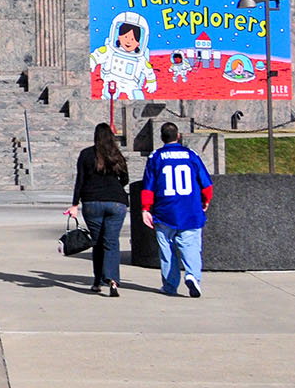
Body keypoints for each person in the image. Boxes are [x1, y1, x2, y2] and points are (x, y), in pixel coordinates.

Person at [142, 121, 214, 297]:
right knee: (190, 246)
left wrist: (145, 209)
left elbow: (148, 187)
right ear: (178, 136)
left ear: (161, 138)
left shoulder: (155, 157)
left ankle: (170, 285)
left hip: (164, 211)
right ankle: (192, 276)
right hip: (190, 210)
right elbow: (206, 185)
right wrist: (205, 201)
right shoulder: (191, 155)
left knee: (167, 249)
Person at [67, 122, 130, 296]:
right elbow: (125, 179)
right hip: (116, 202)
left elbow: (80, 180)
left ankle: (97, 281)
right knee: (111, 242)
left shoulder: (86, 154)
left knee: (97, 243)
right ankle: (113, 281)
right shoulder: (116, 154)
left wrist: (74, 204)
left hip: (92, 202)